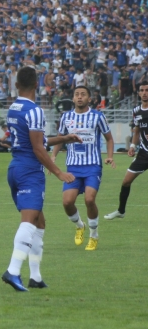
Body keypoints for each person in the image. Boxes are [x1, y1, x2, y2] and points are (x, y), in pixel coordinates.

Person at [2, 66, 81, 292]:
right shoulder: (35, 110)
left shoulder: (13, 108)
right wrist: (59, 172)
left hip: (15, 168)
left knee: (39, 222)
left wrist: (65, 138)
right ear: (37, 85)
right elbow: (38, 148)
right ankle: (13, 271)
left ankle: (35, 277)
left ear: (16, 85)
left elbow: (38, 141)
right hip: (29, 171)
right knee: (28, 221)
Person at [51, 86, 115, 251]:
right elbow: (60, 139)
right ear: (73, 98)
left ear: (89, 98)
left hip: (92, 166)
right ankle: (80, 226)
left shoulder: (97, 116)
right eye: (77, 95)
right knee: (67, 202)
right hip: (73, 166)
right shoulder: (66, 117)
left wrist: (109, 156)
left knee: (89, 199)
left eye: (83, 95)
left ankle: (94, 235)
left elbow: (109, 138)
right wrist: (53, 157)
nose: (79, 97)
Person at [104, 83, 148, 220]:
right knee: (126, 182)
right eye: (142, 90)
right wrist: (133, 146)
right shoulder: (136, 111)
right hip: (144, 154)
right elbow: (137, 130)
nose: (145, 93)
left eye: (147, 90)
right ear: (139, 93)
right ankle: (121, 211)